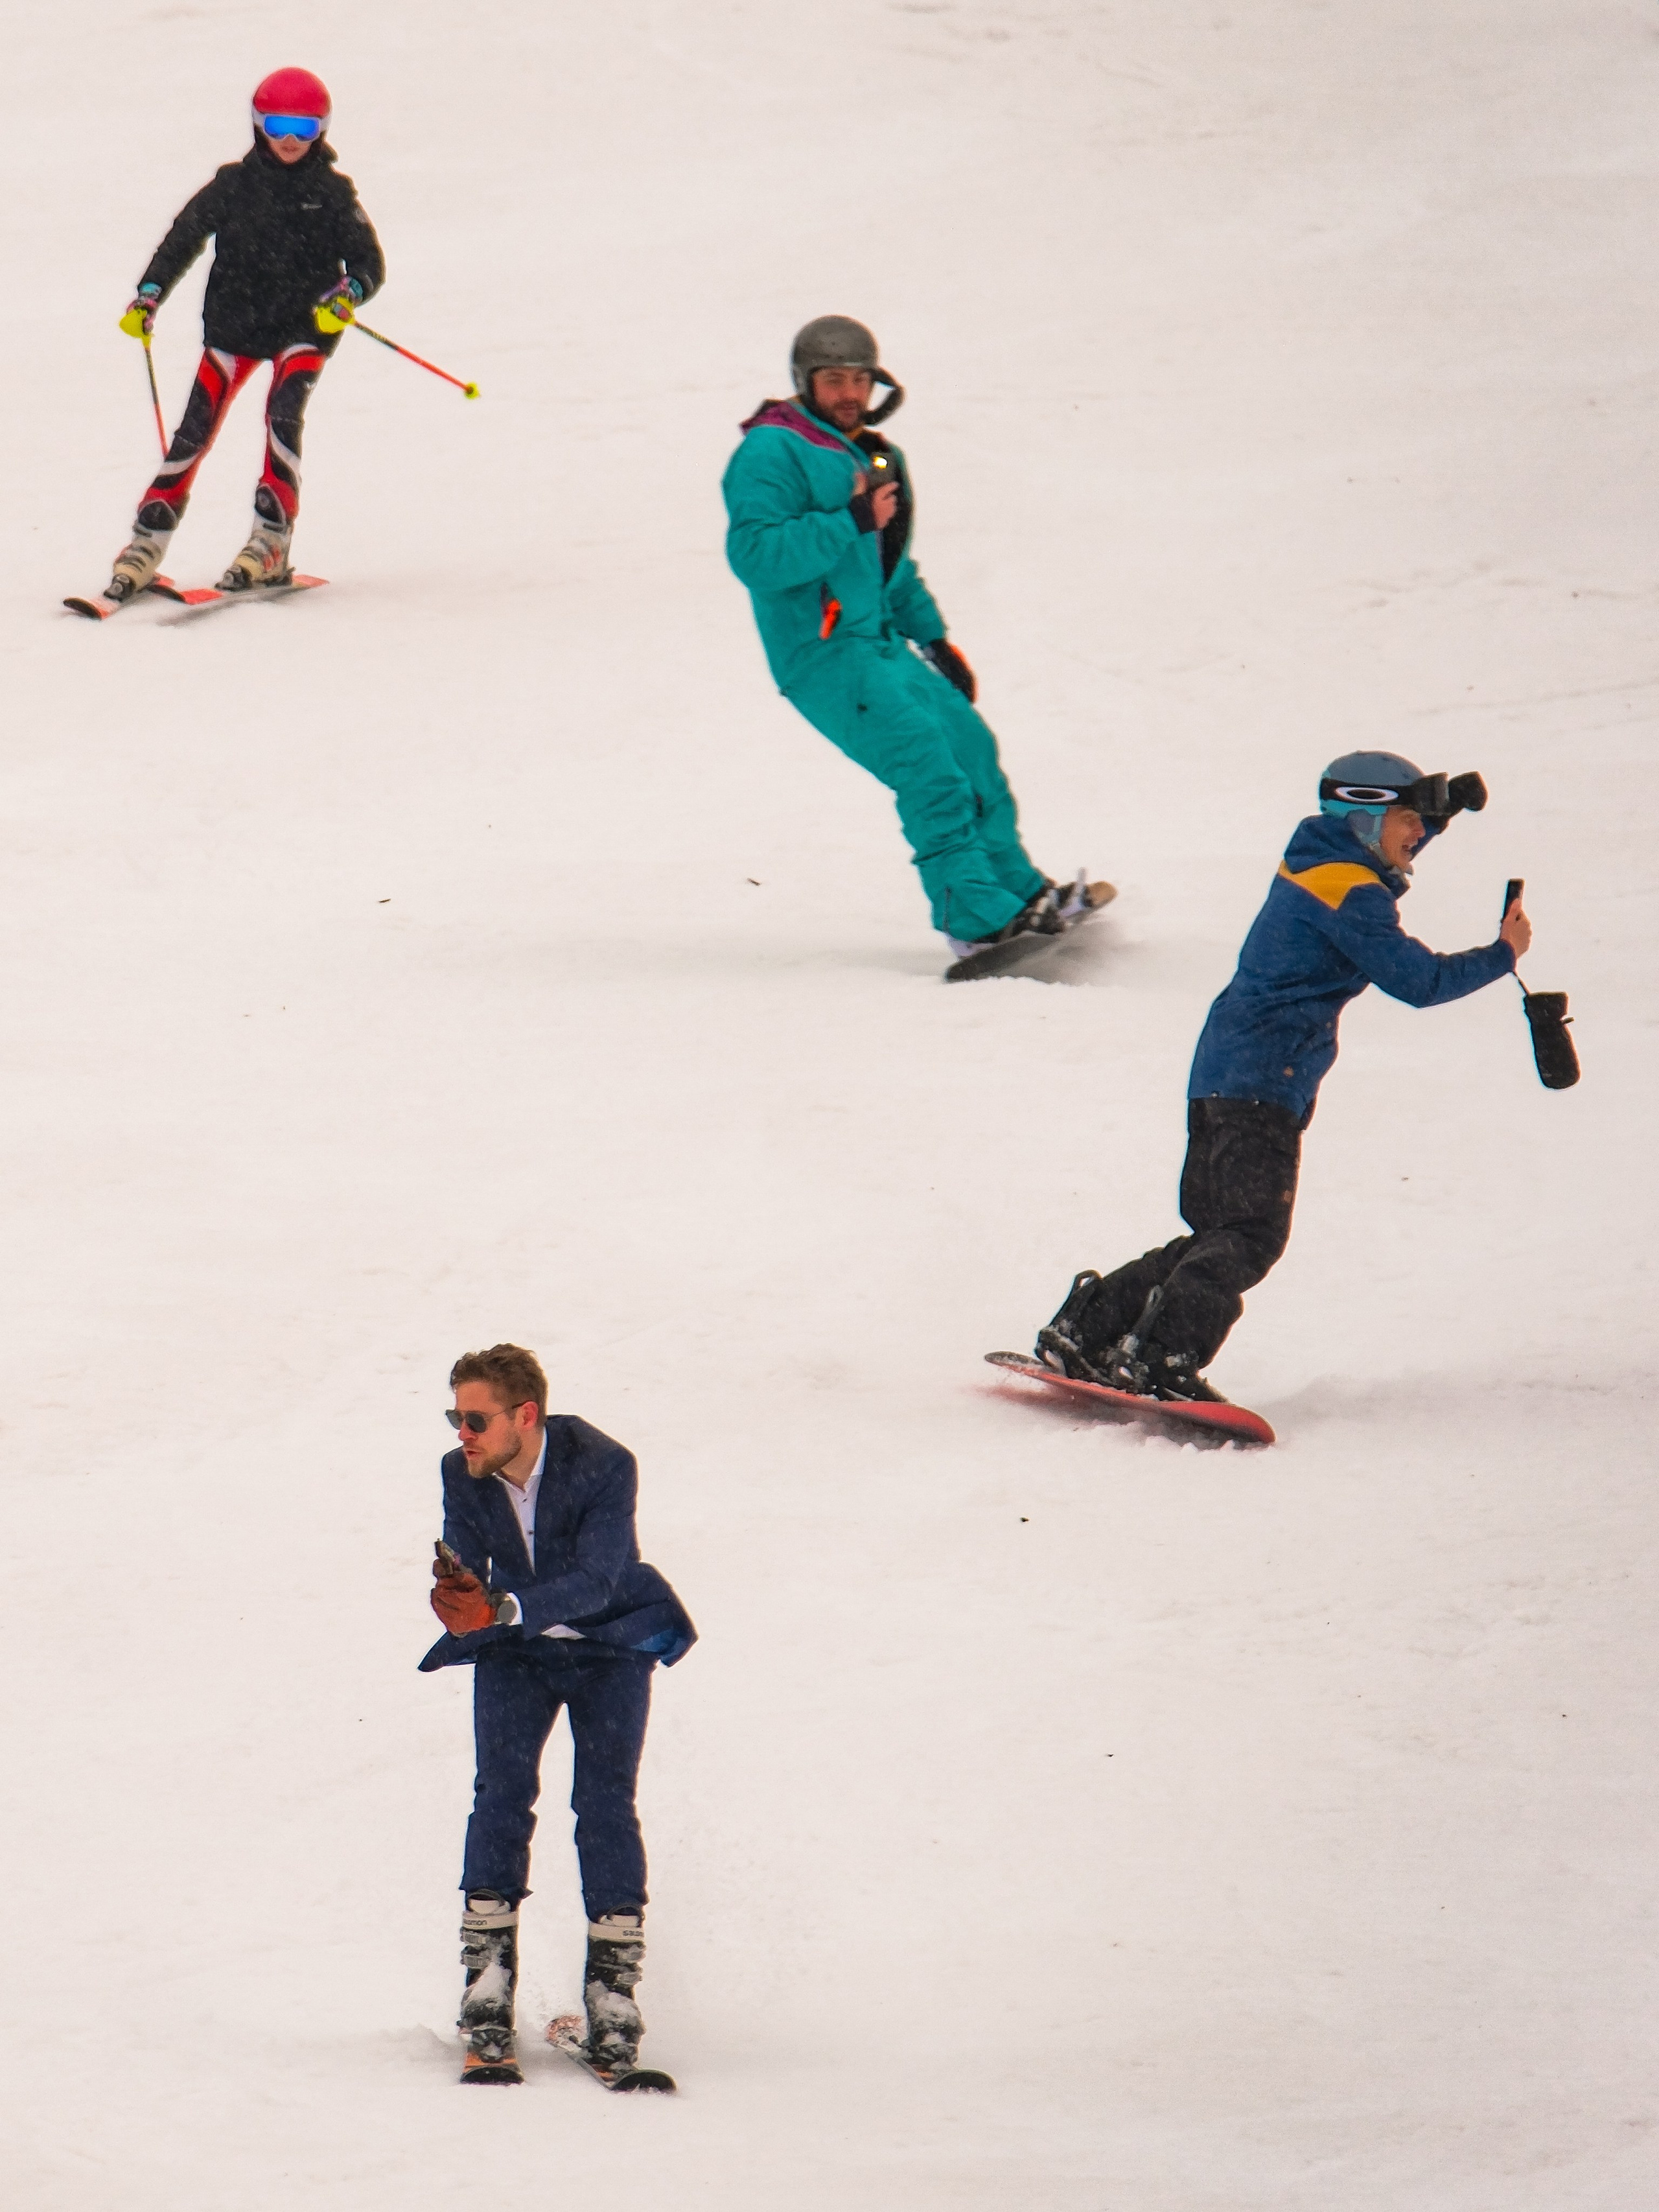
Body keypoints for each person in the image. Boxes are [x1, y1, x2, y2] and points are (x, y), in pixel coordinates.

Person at [1031, 752, 1531, 1401]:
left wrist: (1443, 810)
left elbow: (1383, 846)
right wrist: (1503, 954)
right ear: (1365, 818)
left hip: (1224, 1069)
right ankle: (1161, 1357)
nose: (1417, 836)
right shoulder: (1352, 892)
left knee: (1218, 1233)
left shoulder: (1317, 862)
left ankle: (1085, 1330)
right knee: (1250, 1234)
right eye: (1408, 821)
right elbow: (1419, 981)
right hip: (1264, 1079)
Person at [723, 315, 1112, 964]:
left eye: (861, 379)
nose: (850, 392)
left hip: (878, 646)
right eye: (835, 379)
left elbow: (889, 564)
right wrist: (847, 517)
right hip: (821, 653)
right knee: (929, 769)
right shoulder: (772, 450)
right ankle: (974, 920)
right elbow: (756, 555)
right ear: (804, 381)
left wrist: (932, 639)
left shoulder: (872, 455)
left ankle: (1018, 894)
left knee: (970, 750)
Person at [421, 1344, 696, 2086]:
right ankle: (486, 1989)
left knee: (604, 1803)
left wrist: (507, 1605)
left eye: (474, 1418)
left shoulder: (605, 1463)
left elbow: (602, 1575)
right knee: (500, 1794)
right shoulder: (462, 1472)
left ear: (526, 1415)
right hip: (519, 1651)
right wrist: (458, 1593)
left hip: (610, 1644)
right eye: (455, 1417)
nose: (462, 1433)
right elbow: (469, 1565)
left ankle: (613, 1998)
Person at [97, 67, 384, 607]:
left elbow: (370, 263)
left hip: (304, 328)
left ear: (323, 129)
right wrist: (150, 293)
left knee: (282, 416)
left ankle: (271, 542)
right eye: (278, 125)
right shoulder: (232, 186)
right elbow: (182, 238)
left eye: (304, 127)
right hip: (235, 327)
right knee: (194, 431)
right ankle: (145, 544)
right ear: (258, 124)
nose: (291, 140)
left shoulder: (332, 193)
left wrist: (348, 292)